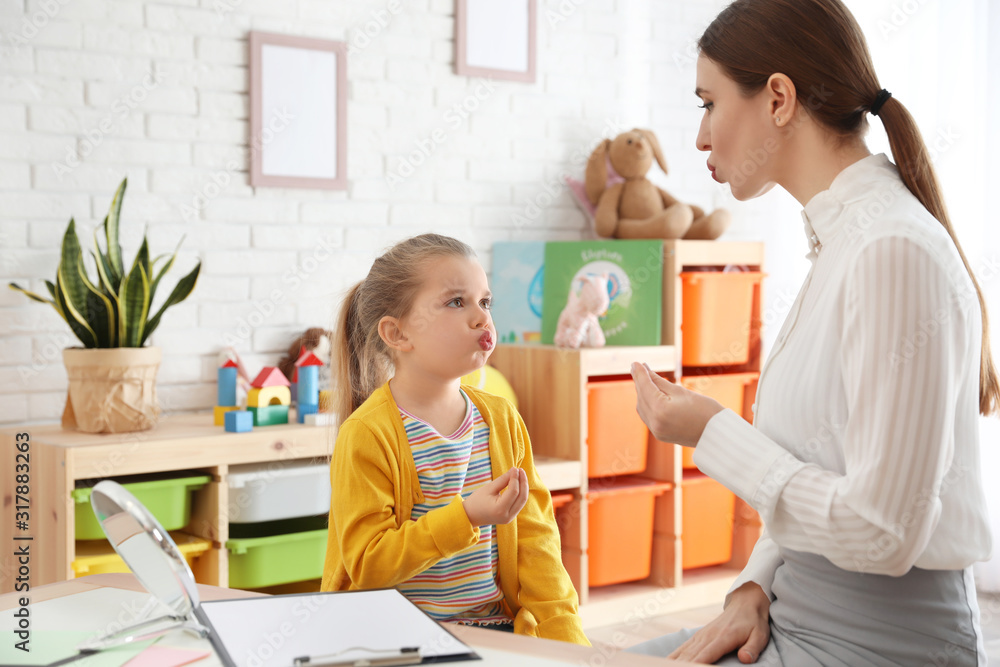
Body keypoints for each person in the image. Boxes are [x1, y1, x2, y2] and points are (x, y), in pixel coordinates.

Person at [627, 0, 996, 664]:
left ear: (777, 99)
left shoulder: (890, 248)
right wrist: (752, 584)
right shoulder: (845, 238)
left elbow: (883, 531)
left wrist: (713, 433)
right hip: (794, 612)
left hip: (874, 645)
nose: (701, 137)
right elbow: (818, 469)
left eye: (708, 103)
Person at [320, 233, 589, 645]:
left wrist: (570, 648)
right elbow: (368, 564)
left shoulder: (502, 420)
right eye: (455, 302)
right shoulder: (367, 434)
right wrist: (466, 518)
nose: (482, 318)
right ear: (397, 334)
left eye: (485, 302)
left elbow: (539, 549)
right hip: (395, 641)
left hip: (492, 634)